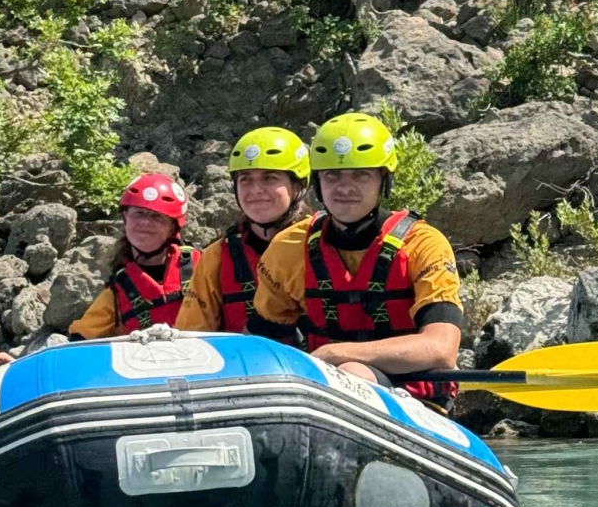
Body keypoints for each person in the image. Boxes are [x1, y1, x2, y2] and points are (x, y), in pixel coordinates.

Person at [252, 113, 463, 404]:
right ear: (318, 182)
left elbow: (441, 349)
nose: (345, 187)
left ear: (383, 181)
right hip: (323, 391)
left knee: (351, 370)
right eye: (332, 175)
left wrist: (335, 354)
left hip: (414, 389)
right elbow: (261, 340)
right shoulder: (289, 246)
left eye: (360, 175)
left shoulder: (424, 244)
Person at [176, 128, 310, 339]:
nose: (256, 189)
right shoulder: (216, 257)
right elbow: (191, 338)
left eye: (270, 178)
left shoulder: (325, 242)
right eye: (245, 179)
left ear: (298, 185)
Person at [69, 173, 199, 340]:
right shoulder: (119, 288)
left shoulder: (201, 267)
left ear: (173, 227)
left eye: (156, 216)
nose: (145, 222)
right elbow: (79, 338)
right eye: (139, 213)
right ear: (126, 217)